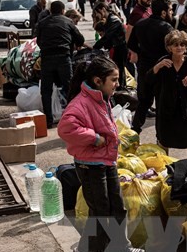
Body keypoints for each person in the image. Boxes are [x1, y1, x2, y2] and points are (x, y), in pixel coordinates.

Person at [58, 56, 142, 252]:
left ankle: (122, 246)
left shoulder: (101, 98)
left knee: (118, 208)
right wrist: (94, 138)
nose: (117, 84)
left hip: (107, 162)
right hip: (90, 166)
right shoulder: (80, 103)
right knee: (100, 213)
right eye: (113, 80)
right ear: (98, 81)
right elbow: (65, 129)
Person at [148, 30, 187, 158]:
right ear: (169, 47)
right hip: (166, 107)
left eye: (182, 45)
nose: (179, 47)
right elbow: (148, 80)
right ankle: (165, 164)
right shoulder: (164, 61)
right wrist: (157, 67)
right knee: (164, 138)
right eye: (175, 45)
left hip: (186, 107)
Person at [127, 0, 174, 133]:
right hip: (162, 70)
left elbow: (131, 44)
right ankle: (161, 136)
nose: (172, 13)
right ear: (163, 12)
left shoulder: (140, 24)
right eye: (170, 10)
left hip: (144, 68)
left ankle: (134, 132)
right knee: (161, 103)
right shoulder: (167, 28)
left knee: (143, 102)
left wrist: (143, 53)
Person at [36, 0, 85, 126]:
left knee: (46, 91)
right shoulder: (68, 22)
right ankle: (73, 119)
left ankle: (48, 120)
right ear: (63, 11)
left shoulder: (42, 23)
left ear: (50, 11)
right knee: (69, 88)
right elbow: (80, 39)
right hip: (63, 58)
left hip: (47, 59)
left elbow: (38, 41)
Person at [93, 2, 128, 90]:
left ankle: (121, 88)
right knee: (119, 67)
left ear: (103, 10)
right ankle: (120, 87)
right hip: (117, 46)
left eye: (97, 13)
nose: (97, 15)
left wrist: (95, 47)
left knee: (119, 68)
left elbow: (107, 36)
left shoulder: (113, 20)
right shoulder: (110, 19)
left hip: (121, 47)